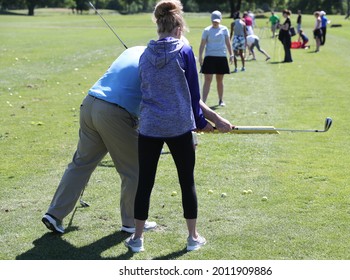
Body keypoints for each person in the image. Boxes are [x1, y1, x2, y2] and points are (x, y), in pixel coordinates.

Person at [42, 48, 233, 236]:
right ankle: (131, 222)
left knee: (81, 163)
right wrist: (212, 119)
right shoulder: (163, 60)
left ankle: (54, 214)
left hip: (90, 104)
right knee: (136, 169)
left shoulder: (134, 51)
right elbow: (187, 95)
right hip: (115, 113)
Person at [124, 0, 227, 253]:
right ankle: (193, 237)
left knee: (144, 182)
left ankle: (137, 239)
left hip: (149, 126)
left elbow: (146, 89)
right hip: (179, 126)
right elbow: (193, 95)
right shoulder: (185, 50)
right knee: (186, 181)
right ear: (178, 28)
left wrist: (205, 121)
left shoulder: (144, 53)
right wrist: (202, 124)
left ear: (159, 26)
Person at [199, 10, 234, 106]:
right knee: (208, 79)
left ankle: (221, 100)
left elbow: (228, 43)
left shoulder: (224, 29)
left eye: (217, 21)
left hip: (221, 57)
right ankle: (204, 102)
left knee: (219, 80)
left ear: (220, 20)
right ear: (211, 20)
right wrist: (200, 56)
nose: (215, 23)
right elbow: (202, 44)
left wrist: (231, 54)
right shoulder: (207, 30)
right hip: (209, 57)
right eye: (214, 21)